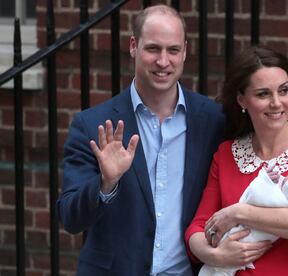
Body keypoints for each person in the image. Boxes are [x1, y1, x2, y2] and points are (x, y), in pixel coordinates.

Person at [57, 4, 225, 275]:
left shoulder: (213, 120)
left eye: (172, 50)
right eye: (152, 49)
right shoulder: (91, 125)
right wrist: (105, 184)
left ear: (185, 51)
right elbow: (70, 218)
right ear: (134, 46)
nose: (163, 61)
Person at [185, 46, 288, 276]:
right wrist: (215, 256)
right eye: (263, 94)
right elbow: (197, 227)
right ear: (242, 100)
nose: (277, 103)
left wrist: (239, 213)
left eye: (283, 90)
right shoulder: (227, 154)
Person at [198, 166, 288, 276]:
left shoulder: (277, 199)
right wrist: (215, 255)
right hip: (228, 252)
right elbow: (197, 224)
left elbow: (256, 193)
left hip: (240, 239)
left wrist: (265, 178)